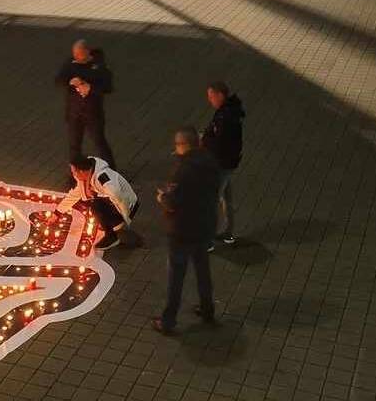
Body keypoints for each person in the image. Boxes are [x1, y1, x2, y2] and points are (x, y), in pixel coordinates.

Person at [152, 127, 221, 335]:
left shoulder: (183, 171)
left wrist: (162, 198)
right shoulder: (210, 162)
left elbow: (173, 202)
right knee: (202, 269)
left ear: (182, 145)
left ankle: (168, 321)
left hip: (182, 231)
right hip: (205, 226)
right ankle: (207, 309)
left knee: (176, 277)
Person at [58, 154, 139, 251]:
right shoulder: (86, 176)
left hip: (127, 205)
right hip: (114, 201)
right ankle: (112, 222)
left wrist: (123, 220)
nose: (73, 175)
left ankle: (112, 236)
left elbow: (118, 196)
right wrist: (57, 212)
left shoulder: (103, 178)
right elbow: (76, 194)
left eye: (74, 172)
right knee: (87, 201)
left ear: (82, 171)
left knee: (95, 205)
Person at [55, 39, 115, 168]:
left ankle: (111, 169)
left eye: (79, 55)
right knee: (74, 144)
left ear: (87, 52)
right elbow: (59, 80)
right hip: (74, 113)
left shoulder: (99, 67)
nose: (76, 58)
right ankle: (75, 169)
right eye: (75, 55)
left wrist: (90, 88)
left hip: (93, 114)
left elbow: (108, 87)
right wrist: (70, 81)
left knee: (99, 142)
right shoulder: (70, 64)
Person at [200, 82, 245, 246]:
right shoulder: (229, 111)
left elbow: (219, 143)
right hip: (227, 162)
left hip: (220, 164)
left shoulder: (225, 117)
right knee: (226, 198)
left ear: (220, 95)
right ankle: (228, 233)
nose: (209, 99)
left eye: (211, 96)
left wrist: (203, 143)